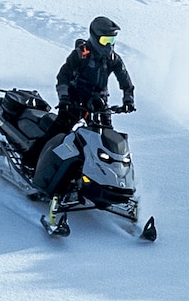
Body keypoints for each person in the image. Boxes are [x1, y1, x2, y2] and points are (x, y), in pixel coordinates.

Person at [31, 16, 132, 199]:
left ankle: (103, 181)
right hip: (74, 101)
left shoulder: (113, 58)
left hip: (99, 105)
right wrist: (64, 98)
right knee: (58, 134)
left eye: (112, 40)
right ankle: (32, 163)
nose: (109, 45)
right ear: (94, 37)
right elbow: (63, 76)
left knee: (106, 141)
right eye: (105, 40)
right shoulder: (81, 54)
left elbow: (125, 80)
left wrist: (128, 100)